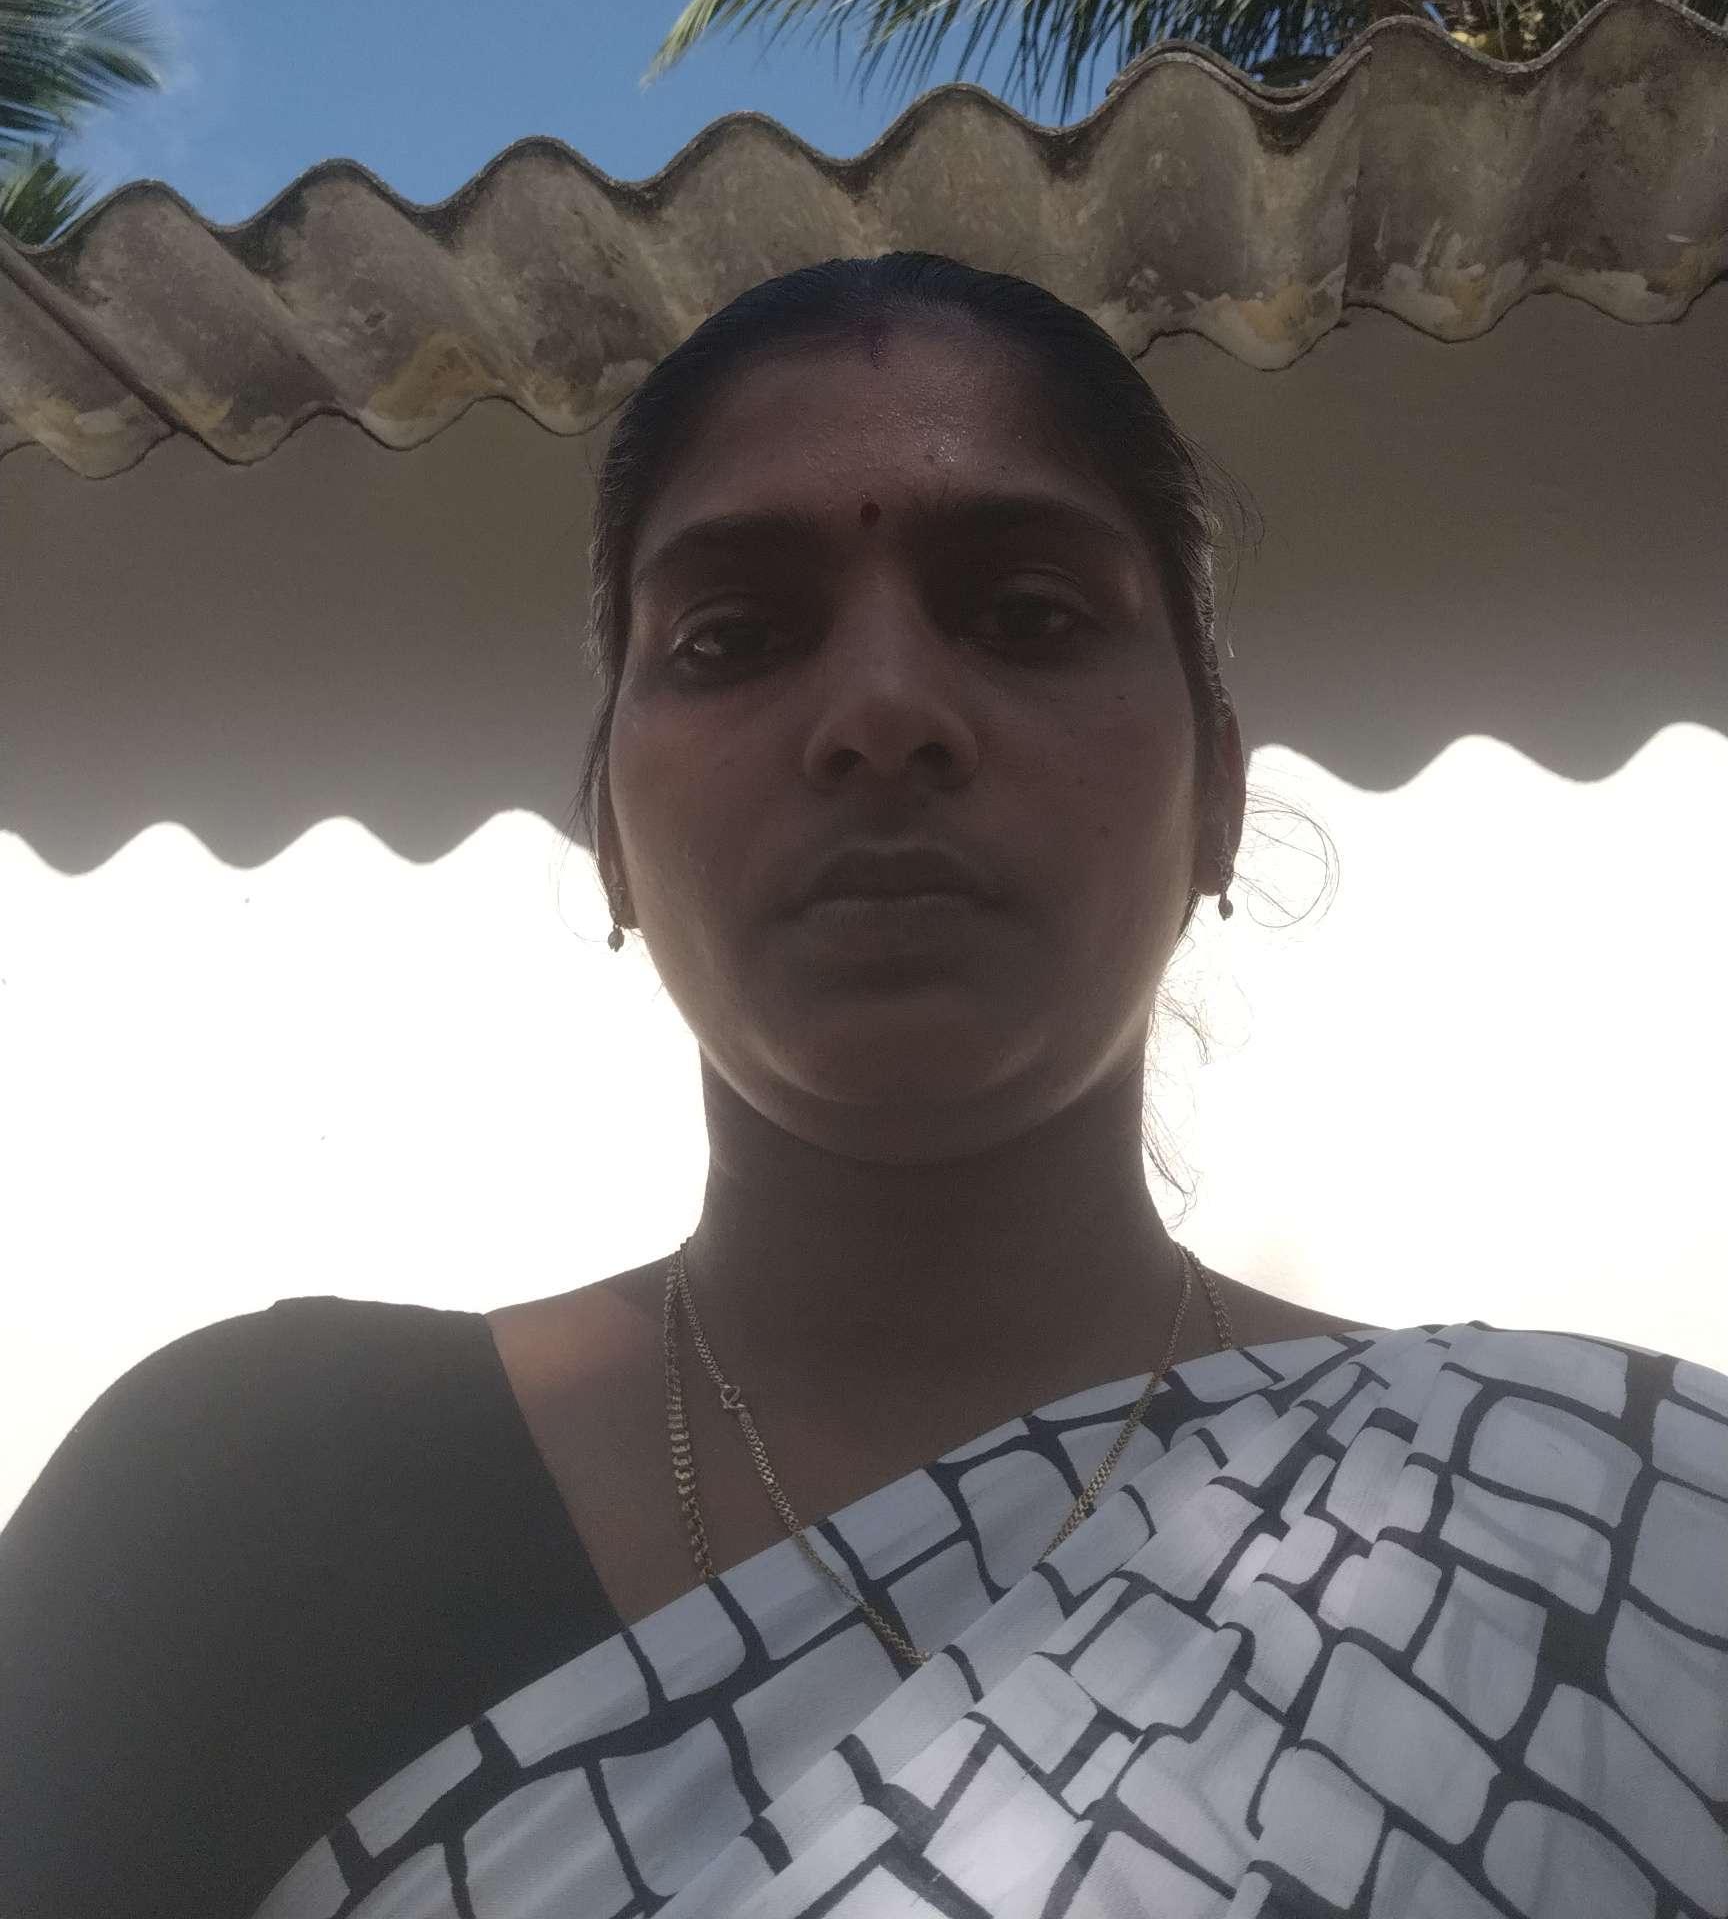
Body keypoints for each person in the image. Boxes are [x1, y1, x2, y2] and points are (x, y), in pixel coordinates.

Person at [2, 253, 1724, 1919]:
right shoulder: (237, 1512)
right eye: (735, 635)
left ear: (1217, 794)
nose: (884, 711)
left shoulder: (1605, 1538)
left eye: (1028, 615)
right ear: (610, 837)